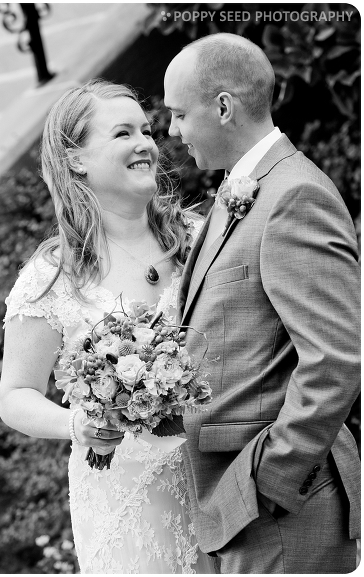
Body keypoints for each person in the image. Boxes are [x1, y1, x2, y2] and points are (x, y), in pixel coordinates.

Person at [0, 79, 215, 573]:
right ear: (76, 160)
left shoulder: (199, 238)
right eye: (122, 133)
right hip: (127, 493)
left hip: (224, 471)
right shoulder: (50, 279)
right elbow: (14, 397)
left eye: (145, 130)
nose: (145, 143)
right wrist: (80, 424)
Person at [164, 33, 361, 573]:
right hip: (235, 504)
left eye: (179, 114)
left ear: (223, 106)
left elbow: (337, 358)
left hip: (281, 512)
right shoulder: (245, 185)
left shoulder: (295, 196)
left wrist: (272, 480)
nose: (173, 131)